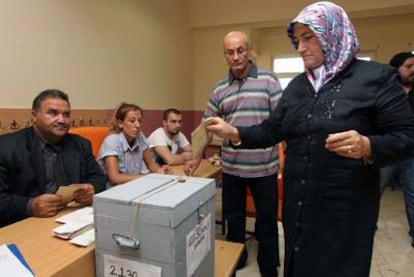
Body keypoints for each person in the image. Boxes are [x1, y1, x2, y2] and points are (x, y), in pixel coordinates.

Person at [200, 2, 414, 276]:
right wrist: (235, 133)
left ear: (333, 33)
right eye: (297, 40)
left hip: (344, 208)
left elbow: (407, 137)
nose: (300, 48)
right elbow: (271, 130)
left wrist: (368, 146)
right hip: (298, 203)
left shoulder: (375, 78)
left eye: (308, 37)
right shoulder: (298, 87)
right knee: (298, 263)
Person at [189, 31, 283, 276]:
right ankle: (236, 259)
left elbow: (280, 125)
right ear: (225, 55)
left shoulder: (269, 81)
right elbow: (205, 128)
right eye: (230, 52)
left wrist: (283, 158)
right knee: (233, 219)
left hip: (264, 168)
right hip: (232, 169)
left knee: (267, 221)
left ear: (249, 50)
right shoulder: (220, 89)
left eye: (240, 50)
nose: (236, 56)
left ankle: (268, 265)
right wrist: (195, 156)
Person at [0, 89, 106, 227]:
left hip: (72, 219)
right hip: (26, 223)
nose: (61, 120)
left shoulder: (81, 144)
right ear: (34, 116)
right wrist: (29, 206)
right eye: (53, 113)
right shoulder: (6, 147)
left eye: (66, 114)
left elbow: (99, 178)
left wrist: (92, 189)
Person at [380, 52, 414, 247]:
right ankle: (367, 225)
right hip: (387, 152)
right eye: (408, 66)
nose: (413, 70)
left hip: (411, 153)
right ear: (396, 69)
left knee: (412, 194)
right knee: (373, 191)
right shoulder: (386, 91)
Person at [97, 103, 170, 187]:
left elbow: (152, 166)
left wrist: (162, 171)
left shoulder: (140, 137)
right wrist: (147, 177)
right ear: (120, 123)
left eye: (139, 121)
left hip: (133, 185)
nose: (138, 125)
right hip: (110, 189)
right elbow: (115, 178)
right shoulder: (112, 141)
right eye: (132, 121)